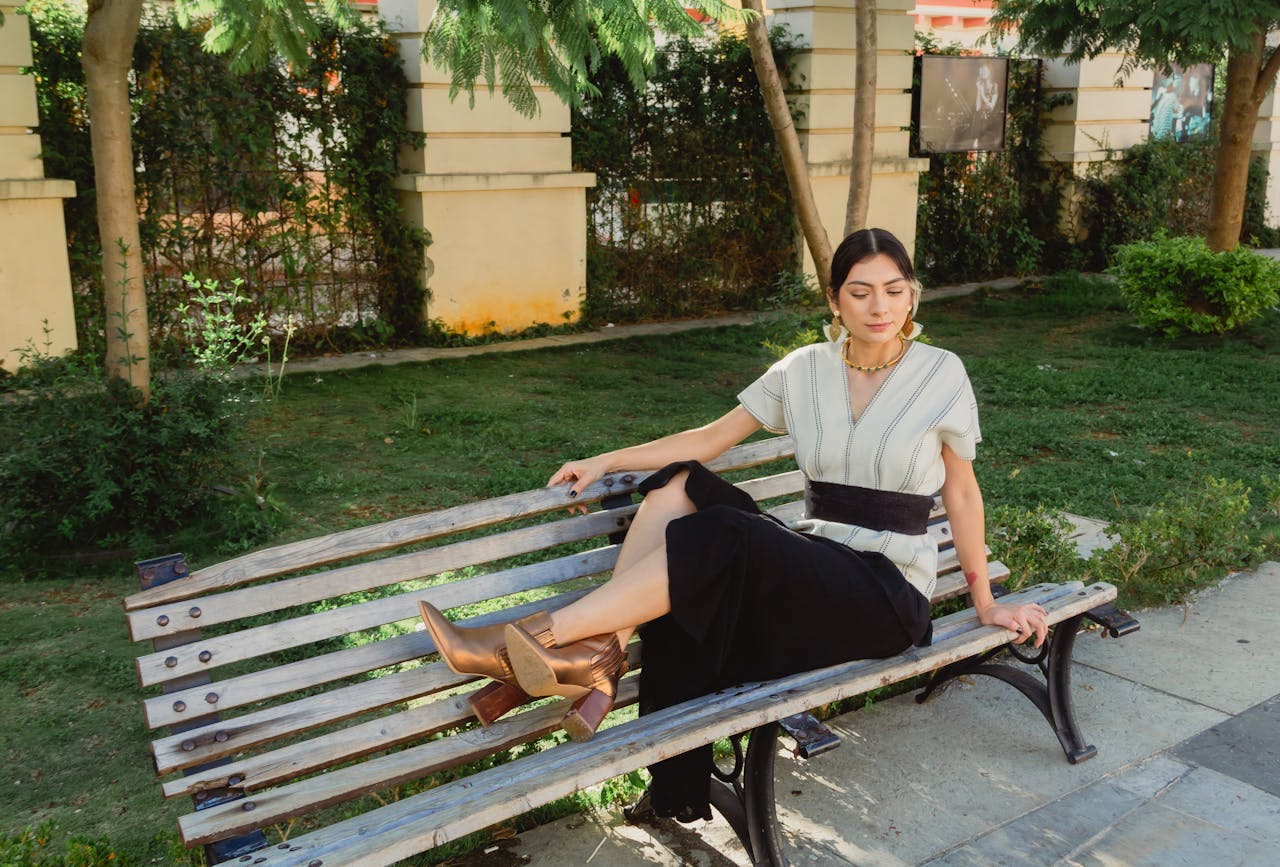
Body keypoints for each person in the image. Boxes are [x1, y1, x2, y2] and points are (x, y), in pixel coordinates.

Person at [419, 227, 1049, 823]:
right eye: (859, 292)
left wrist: (985, 600)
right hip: (812, 564)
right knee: (679, 482)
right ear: (834, 300)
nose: (878, 307)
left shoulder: (941, 373)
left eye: (893, 290)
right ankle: (604, 653)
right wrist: (608, 459)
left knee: (727, 533)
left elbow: (962, 493)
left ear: (913, 293)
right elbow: (710, 438)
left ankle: (525, 641)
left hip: (886, 593)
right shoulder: (804, 369)